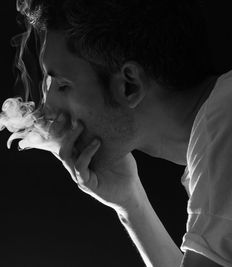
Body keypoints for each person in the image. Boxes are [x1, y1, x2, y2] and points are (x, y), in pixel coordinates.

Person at [15, 0, 232, 266]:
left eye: (62, 85)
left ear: (129, 85)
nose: (46, 109)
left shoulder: (224, 128)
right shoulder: (217, 126)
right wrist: (130, 203)